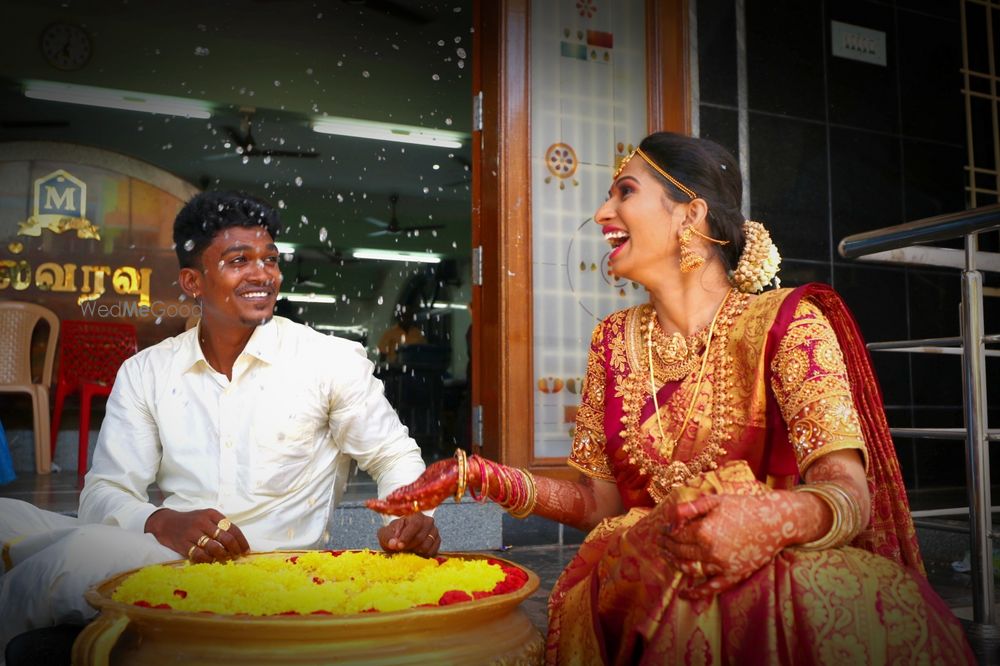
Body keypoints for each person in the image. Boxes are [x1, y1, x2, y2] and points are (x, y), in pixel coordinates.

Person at [368, 133, 975, 664]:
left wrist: (767, 520)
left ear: (691, 215)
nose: (603, 210)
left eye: (624, 191)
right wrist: (481, 475)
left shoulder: (788, 323)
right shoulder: (614, 339)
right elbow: (599, 504)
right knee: (677, 580)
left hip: (775, 566)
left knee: (737, 594)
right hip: (638, 567)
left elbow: (849, 494)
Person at [0, 191, 438, 655]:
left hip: (277, 575)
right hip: (166, 558)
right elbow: (104, 493)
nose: (262, 275)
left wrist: (410, 514)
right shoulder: (147, 372)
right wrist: (160, 521)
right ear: (193, 281)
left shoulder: (327, 361)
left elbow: (394, 455)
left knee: (63, 562)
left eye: (270, 259)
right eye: (238, 260)